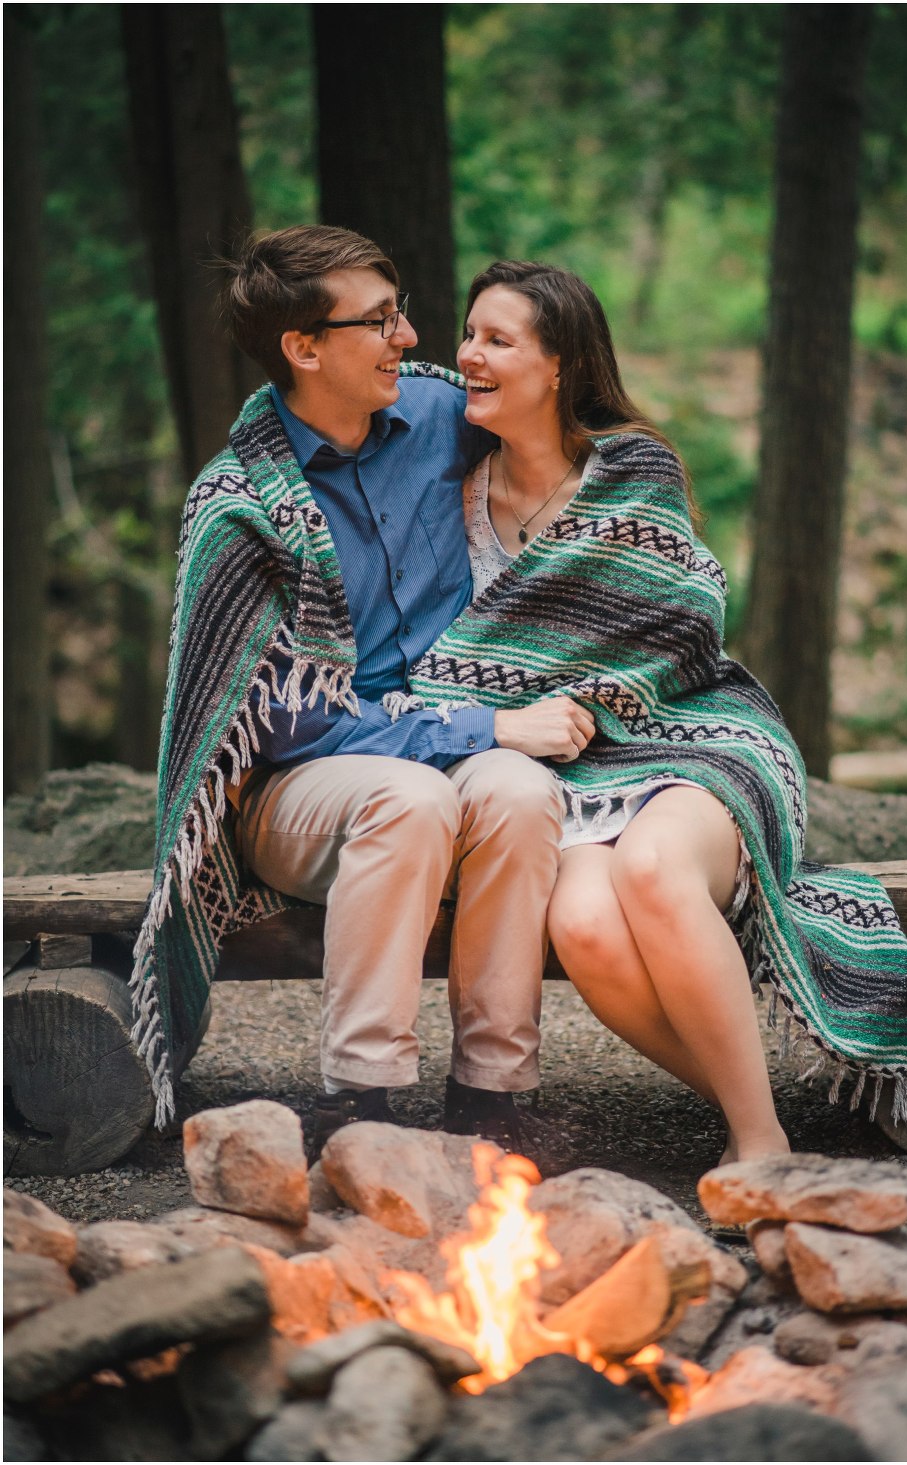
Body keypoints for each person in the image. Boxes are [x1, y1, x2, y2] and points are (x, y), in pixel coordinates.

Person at [402, 259, 907, 1168]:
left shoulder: (631, 469)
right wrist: (515, 713)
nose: (469, 357)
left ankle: (759, 1140)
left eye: (498, 340)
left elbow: (681, 623)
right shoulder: (451, 498)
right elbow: (455, 660)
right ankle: (764, 1107)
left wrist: (580, 695)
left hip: (696, 735)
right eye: (469, 334)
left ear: (560, 364)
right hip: (563, 770)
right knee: (582, 925)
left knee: (651, 870)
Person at [130, 228, 596, 1152]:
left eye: (402, 310)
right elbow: (288, 723)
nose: (411, 338)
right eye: (379, 321)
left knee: (519, 787)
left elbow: (561, 437)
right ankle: (362, 1097)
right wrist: (486, 721)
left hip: (455, 747)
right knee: (411, 793)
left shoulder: (439, 418)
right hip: (303, 788)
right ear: (304, 348)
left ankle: (492, 1095)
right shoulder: (239, 503)